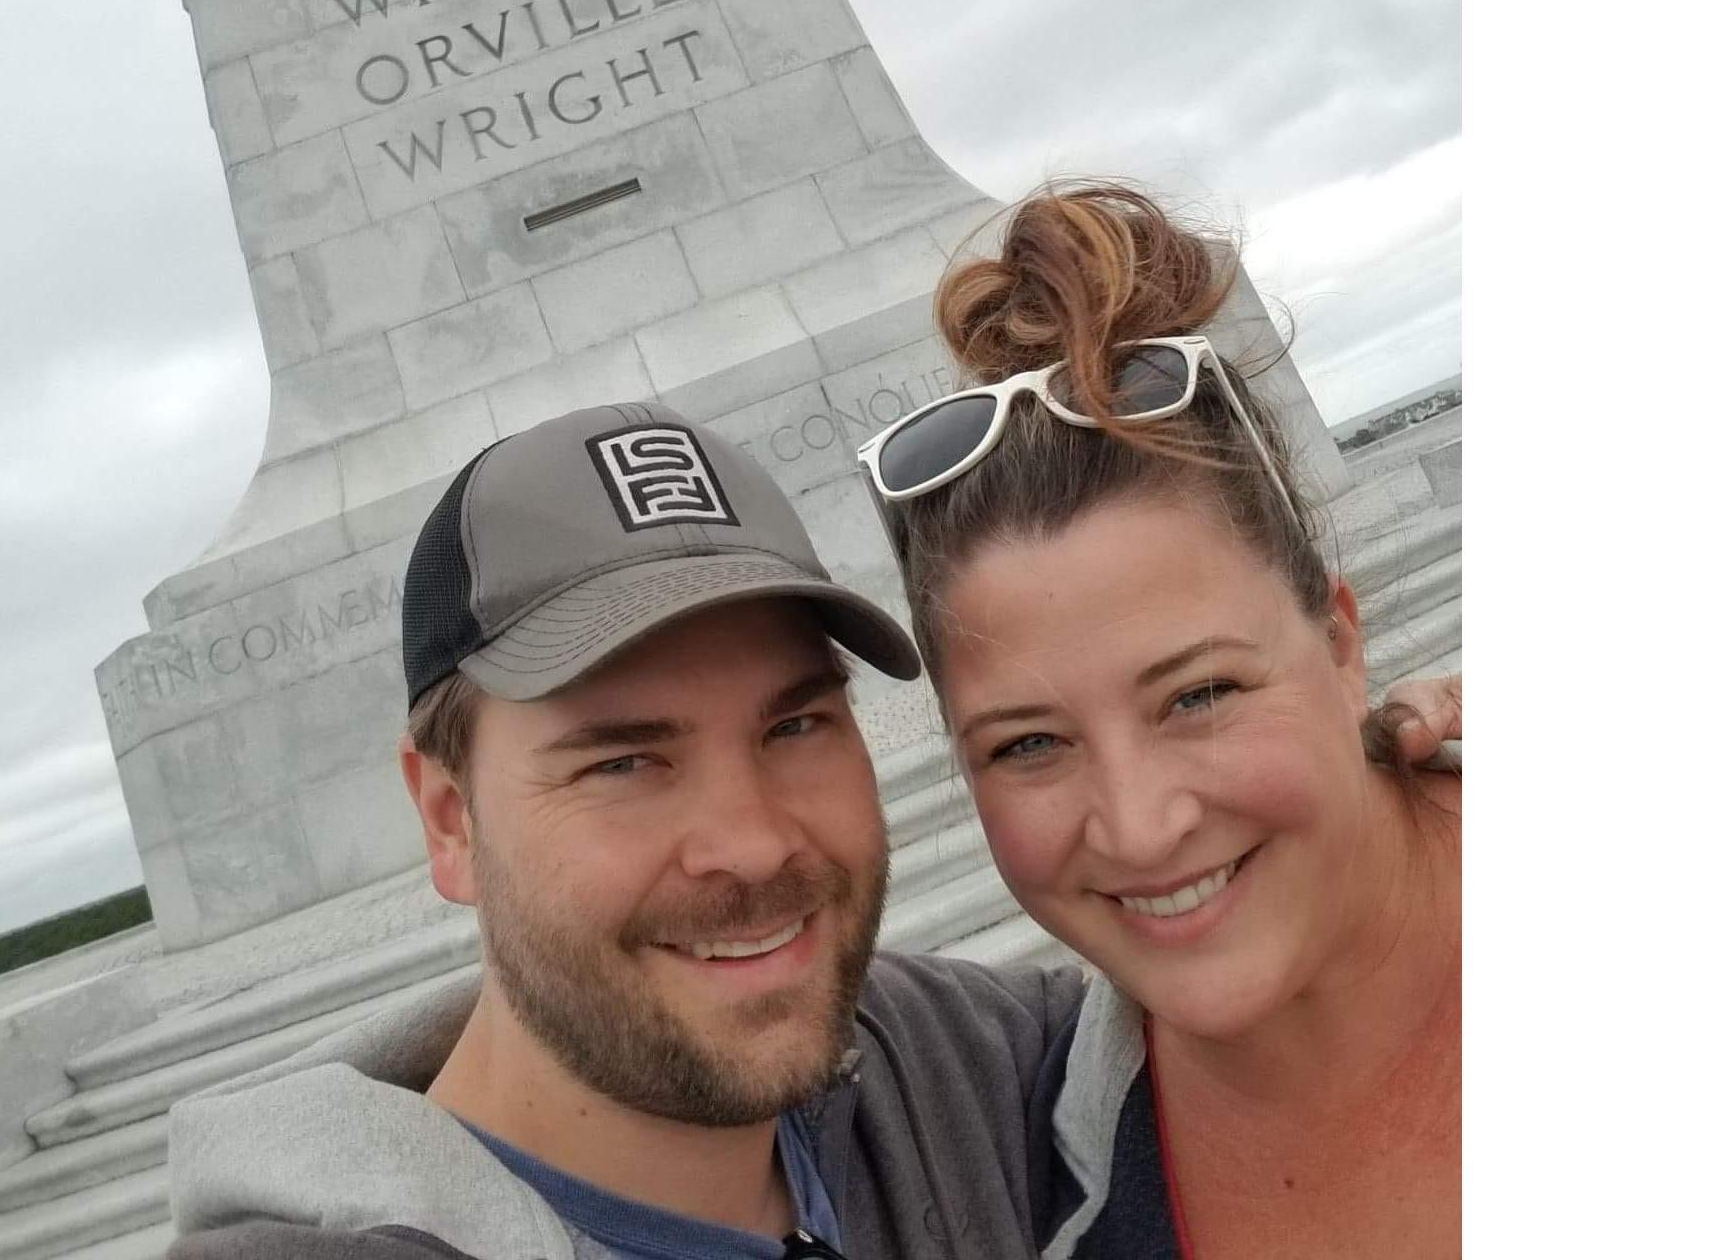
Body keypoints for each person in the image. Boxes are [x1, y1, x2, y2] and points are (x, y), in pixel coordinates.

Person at [166, 394, 1457, 1260]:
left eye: (793, 726)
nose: (750, 844)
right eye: (623, 761)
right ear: (449, 822)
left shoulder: (976, 1077)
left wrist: (1404, 776)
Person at [857, 182, 1461, 1259]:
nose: (1138, 828)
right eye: (1027, 744)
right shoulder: (1025, 1180)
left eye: (1200, 695)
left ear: (1336, 643)